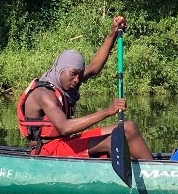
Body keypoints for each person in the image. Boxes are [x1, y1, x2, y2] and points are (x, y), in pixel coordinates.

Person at [17, 16, 152, 159]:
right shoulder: (43, 94)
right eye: (74, 74)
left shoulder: (66, 80)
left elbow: (94, 67)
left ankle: (155, 171)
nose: (77, 80)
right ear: (61, 70)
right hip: (47, 151)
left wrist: (113, 33)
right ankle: (147, 174)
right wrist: (107, 111)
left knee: (128, 127)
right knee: (112, 141)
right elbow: (64, 127)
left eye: (79, 75)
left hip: (65, 142)